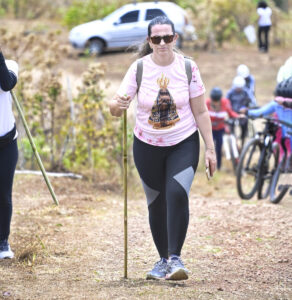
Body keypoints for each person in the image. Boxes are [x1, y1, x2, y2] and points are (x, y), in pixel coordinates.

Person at [109, 16, 216, 281]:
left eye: (167, 37)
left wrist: (211, 149)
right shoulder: (138, 69)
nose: (162, 43)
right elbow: (115, 106)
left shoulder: (188, 67)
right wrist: (117, 106)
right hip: (147, 146)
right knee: (156, 202)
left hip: (183, 142)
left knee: (176, 193)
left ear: (175, 38)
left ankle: (175, 258)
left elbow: (201, 111)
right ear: (149, 41)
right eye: (156, 38)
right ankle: (162, 260)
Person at [0, 34, 19, 259]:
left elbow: (7, 84)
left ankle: (3, 243)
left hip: (5, 143)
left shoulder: (10, 65)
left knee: (2, 196)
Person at [206, 87, 240, 170]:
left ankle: (218, 166)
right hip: (210, 130)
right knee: (210, 147)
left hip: (220, 129)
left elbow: (231, 113)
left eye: (217, 100)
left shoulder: (225, 103)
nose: (216, 102)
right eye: (214, 100)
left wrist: (238, 116)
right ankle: (208, 166)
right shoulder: (207, 103)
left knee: (219, 147)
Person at [226, 76, 254, 146]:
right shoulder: (230, 93)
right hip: (232, 113)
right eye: (237, 88)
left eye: (240, 88)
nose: (238, 89)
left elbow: (251, 102)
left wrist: (246, 108)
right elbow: (226, 103)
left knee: (244, 124)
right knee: (230, 126)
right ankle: (234, 142)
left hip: (243, 113)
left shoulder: (245, 92)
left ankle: (243, 140)